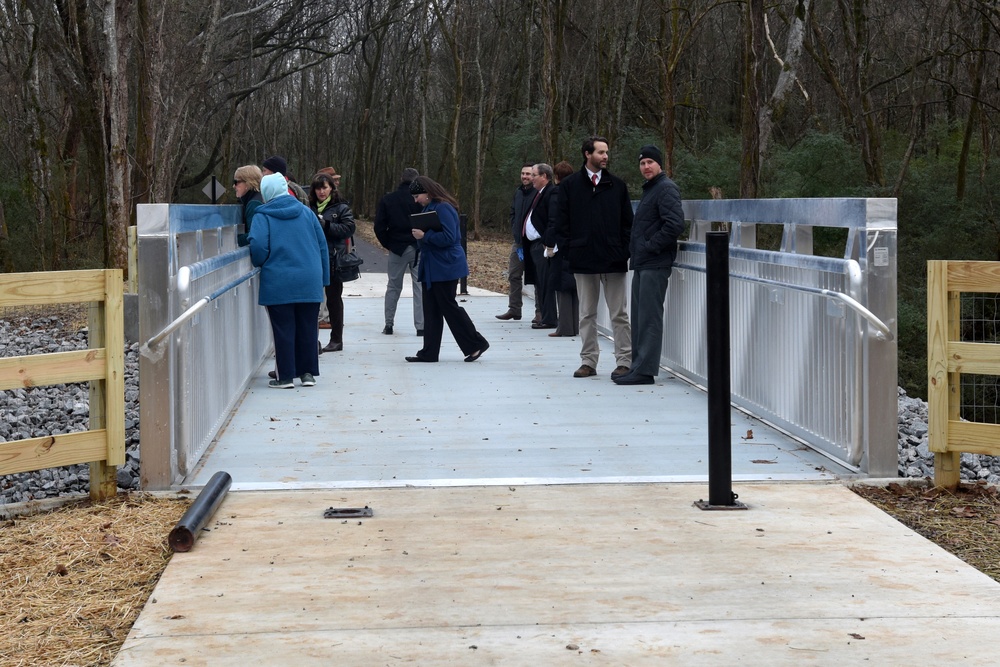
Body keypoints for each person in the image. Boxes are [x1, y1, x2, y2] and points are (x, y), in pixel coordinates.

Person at [555, 136, 633, 380]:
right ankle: (588, 361)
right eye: (601, 152)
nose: (606, 156)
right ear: (587, 154)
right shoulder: (569, 186)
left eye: (607, 152)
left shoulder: (617, 186)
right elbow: (561, 223)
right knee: (586, 314)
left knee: (619, 314)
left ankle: (624, 361)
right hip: (583, 259)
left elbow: (628, 224)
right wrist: (571, 250)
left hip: (613, 260)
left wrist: (623, 250)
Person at [248, 173, 329, 388]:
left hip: (278, 279)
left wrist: (261, 261)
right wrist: (324, 279)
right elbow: (322, 246)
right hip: (309, 279)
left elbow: (257, 246)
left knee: (283, 329)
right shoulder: (307, 213)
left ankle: (285, 377)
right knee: (308, 328)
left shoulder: (262, 215)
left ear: (266, 193)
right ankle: (307, 374)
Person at [614, 145, 685, 386]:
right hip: (644, 262)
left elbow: (674, 225)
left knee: (650, 318)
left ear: (659, 164)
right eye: (642, 163)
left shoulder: (666, 189)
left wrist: (649, 246)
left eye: (650, 163)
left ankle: (645, 371)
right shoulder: (652, 189)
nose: (646, 167)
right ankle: (637, 366)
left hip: (655, 262)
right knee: (640, 316)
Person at [405, 176, 489, 363]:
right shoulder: (428, 208)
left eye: (417, 195)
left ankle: (476, 343)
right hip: (433, 266)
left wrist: (424, 236)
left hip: (446, 266)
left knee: (448, 307)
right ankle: (429, 352)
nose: (415, 200)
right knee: (431, 310)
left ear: (427, 192)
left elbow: (451, 238)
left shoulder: (443, 208)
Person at [374, 167, 424, 336]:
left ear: (401, 179)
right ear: (416, 181)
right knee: (419, 287)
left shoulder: (388, 199)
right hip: (417, 247)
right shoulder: (420, 200)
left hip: (397, 248)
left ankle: (389, 324)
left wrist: (388, 244)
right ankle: (421, 326)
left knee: (393, 286)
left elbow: (379, 226)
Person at [310, 172, 355, 352]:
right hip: (313, 258)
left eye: (325, 187)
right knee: (312, 300)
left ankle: (336, 339)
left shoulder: (341, 207)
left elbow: (349, 228)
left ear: (331, 188)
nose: (322, 191)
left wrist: (326, 225)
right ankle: (313, 341)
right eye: (318, 188)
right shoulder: (309, 206)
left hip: (333, 259)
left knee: (334, 300)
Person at [495, 162, 536, 322]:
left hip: (534, 243)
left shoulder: (538, 194)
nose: (525, 176)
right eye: (523, 173)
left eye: (528, 174)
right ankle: (514, 309)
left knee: (537, 278)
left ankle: (539, 312)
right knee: (514, 275)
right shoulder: (518, 192)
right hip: (518, 243)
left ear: (534, 176)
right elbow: (512, 212)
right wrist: (514, 229)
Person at [544, 161, 579, 337]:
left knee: (562, 286)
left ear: (556, 177)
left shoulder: (557, 193)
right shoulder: (579, 192)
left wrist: (549, 243)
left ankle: (564, 327)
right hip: (577, 244)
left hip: (561, 245)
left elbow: (554, 221)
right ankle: (575, 325)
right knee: (575, 286)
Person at [521, 163, 557, 330]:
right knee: (539, 282)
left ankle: (549, 318)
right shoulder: (539, 193)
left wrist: (547, 242)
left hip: (543, 245)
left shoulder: (551, 193)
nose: (531, 178)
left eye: (534, 175)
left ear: (544, 176)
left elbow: (553, 220)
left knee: (545, 282)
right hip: (533, 245)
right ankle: (544, 315)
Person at [233, 165, 263, 247]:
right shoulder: (260, 197)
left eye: (237, 182)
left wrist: (233, 240)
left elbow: (254, 235)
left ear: (248, 182)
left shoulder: (254, 204)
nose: (234, 186)